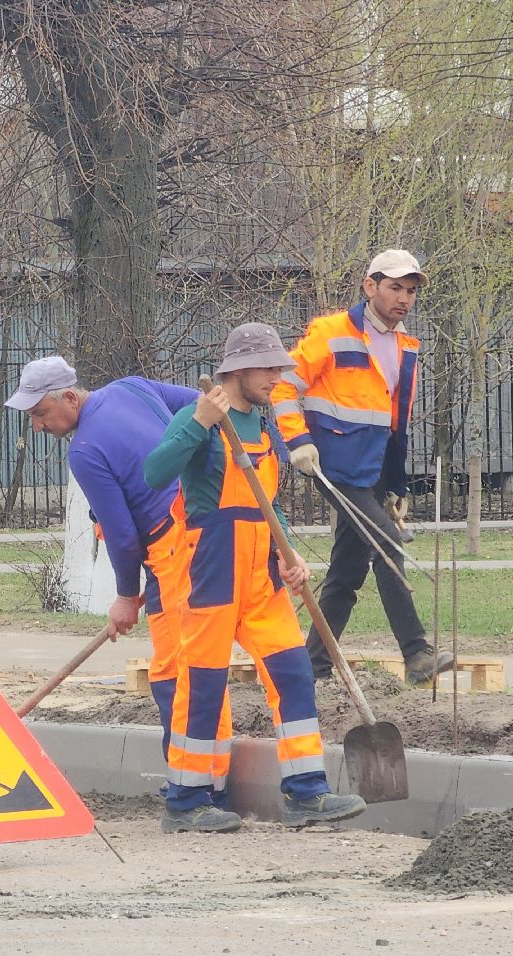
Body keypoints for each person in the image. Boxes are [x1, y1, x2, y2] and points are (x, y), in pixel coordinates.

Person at [144, 323, 367, 832]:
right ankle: (186, 801)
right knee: (201, 686)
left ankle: (306, 794)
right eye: (269, 369)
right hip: (211, 573)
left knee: (294, 675)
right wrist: (198, 423)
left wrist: (288, 553)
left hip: (261, 578)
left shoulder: (264, 432)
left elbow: (266, 508)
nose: (277, 378)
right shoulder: (198, 418)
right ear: (239, 370)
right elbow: (155, 473)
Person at [3, 356, 198, 796]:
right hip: (204, 533)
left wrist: (127, 596)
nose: (36, 428)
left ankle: (191, 788)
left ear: (70, 397)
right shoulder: (132, 385)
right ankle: (206, 779)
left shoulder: (85, 450)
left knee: (172, 670)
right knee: (199, 659)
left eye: (40, 414)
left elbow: (124, 537)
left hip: (173, 551)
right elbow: (206, 408)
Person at [271, 248, 453, 686]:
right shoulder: (331, 332)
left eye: (410, 291)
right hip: (333, 465)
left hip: (371, 470)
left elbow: (392, 419)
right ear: (369, 286)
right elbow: (281, 386)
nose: (403, 298)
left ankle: (312, 666)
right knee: (389, 546)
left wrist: (395, 482)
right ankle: (416, 653)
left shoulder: (405, 344)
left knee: (347, 572)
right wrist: (298, 442)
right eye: (394, 288)